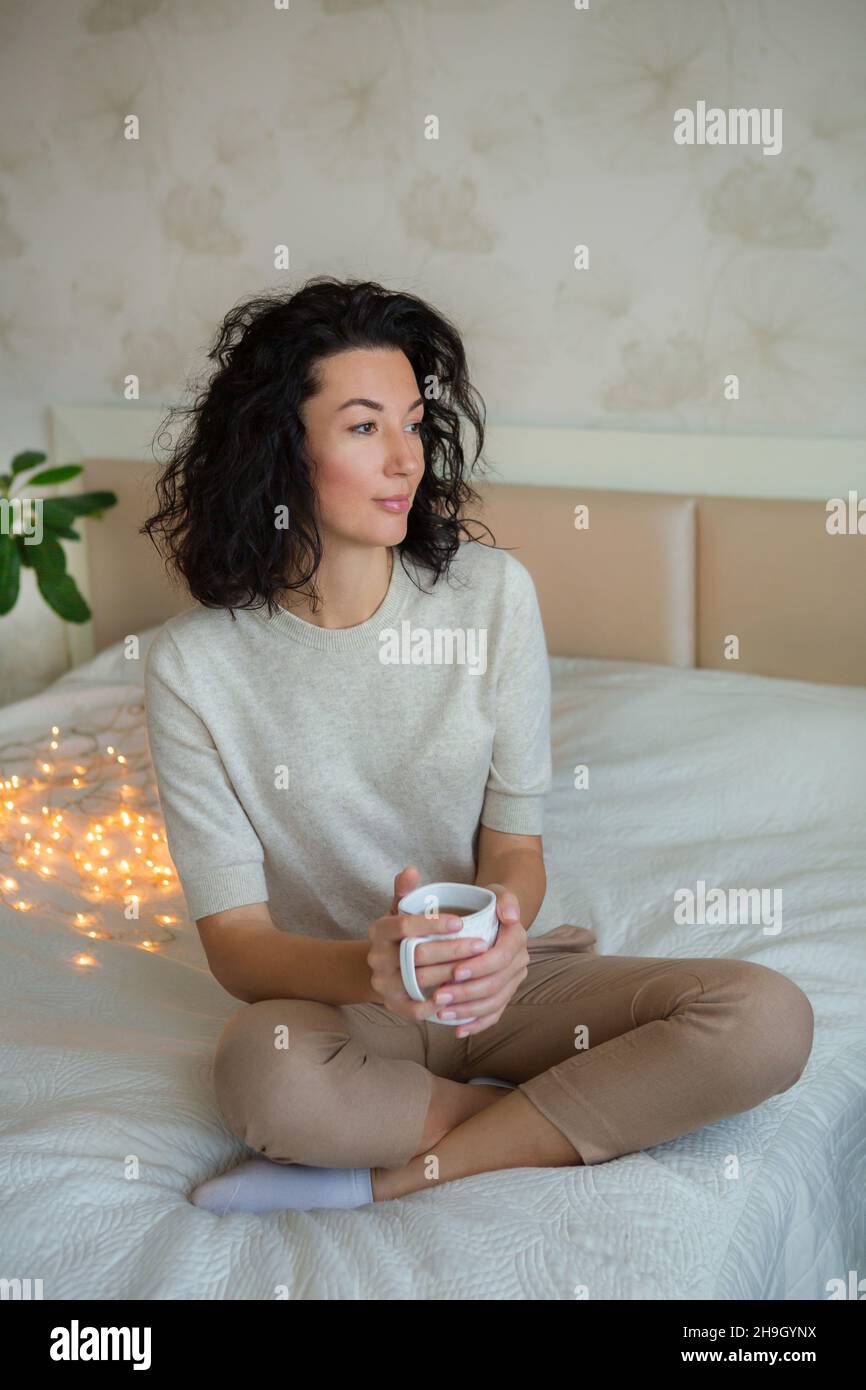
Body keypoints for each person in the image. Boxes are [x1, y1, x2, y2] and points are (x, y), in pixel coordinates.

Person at [142, 275, 814, 1215]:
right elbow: (239, 948)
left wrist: (500, 933)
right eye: (366, 426)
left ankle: (406, 1168)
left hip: (510, 984)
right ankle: (549, 1119)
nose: (406, 459)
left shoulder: (493, 598)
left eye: (415, 424)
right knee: (262, 1073)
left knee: (765, 1018)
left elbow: (515, 849)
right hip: (346, 1009)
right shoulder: (192, 667)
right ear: (279, 447)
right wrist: (374, 969)